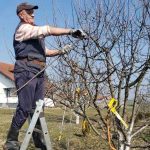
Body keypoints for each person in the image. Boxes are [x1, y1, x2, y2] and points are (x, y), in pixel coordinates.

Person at [3, 2, 86, 150]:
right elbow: (47, 29)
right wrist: (70, 31)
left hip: (39, 71)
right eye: (29, 12)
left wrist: (61, 51)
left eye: (33, 12)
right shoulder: (24, 29)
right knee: (25, 107)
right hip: (26, 70)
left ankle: (38, 140)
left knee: (38, 108)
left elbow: (45, 51)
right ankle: (11, 140)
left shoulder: (34, 33)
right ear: (21, 14)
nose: (33, 14)